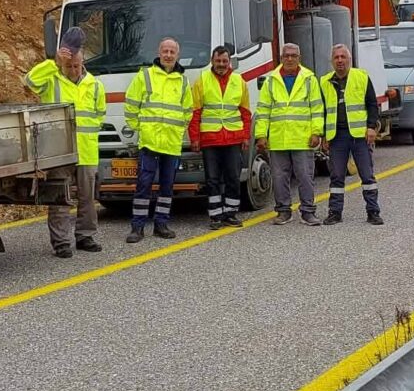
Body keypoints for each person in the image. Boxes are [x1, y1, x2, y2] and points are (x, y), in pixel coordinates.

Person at [23, 27, 107, 257]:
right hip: (59, 150)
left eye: (75, 66)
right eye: (68, 66)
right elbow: (29, 80)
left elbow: (100, 113)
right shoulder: (52, 80)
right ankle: (61, 243)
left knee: (87, 197)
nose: (72, 70)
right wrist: (54, 62)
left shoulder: (95, 85)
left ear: (83, 64)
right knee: (60, 197)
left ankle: (85, 236)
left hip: (87, 151)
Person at [123, 37, 193, 243]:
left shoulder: (183, 81)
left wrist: (179, 132)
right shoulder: (145, 75)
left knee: (167, 187)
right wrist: (141, 128)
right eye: (165, 51)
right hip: (150, 142)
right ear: (159, 53)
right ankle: (137, 227)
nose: (169, 55)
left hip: (171, 143)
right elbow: (131, 104)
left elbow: (187, 111)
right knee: (143, 185)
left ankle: (161, 224)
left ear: (177, 55)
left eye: (172, 52)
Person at [255, 43, 324, 226]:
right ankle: (283, 211)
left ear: (299, 57)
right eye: (287, 56)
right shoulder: (271, 80)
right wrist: (261, 135)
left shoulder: (309, 79)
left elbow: (317, 108)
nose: (290, 59)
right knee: (279, 178)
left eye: (294, 55)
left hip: (302, 139)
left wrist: (317, 132)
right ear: (281, 58)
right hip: (279, 139)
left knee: (305, 176)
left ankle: (308, 212)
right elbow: (263, 110)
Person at [320, 43, 383, 225]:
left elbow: (372, 104)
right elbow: (322, 110)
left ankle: (373, 211)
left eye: (343, 57)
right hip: (337, 136)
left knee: (367, 175)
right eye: (336, 57)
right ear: (332, 61)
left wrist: (372, 126)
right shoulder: (324, 82)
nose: (340, 61)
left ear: (350, 59)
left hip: (359, 135)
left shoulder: (361, 77)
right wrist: (324, 134)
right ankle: (335, 213)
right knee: (337, 176)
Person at [190, 45, 251, 229]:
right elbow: (195, 113)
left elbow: (245, 112)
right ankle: (215, 215)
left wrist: (246, 136)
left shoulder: (239, 81)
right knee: (212, 179)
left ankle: (230, 214)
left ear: (230, 61)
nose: (221, 64)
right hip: (210, 138)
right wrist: (194, 138)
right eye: (218, 61)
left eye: (225, 61)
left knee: (233, 177)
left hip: (233, 137)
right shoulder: (202, 80)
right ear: (212, 60)